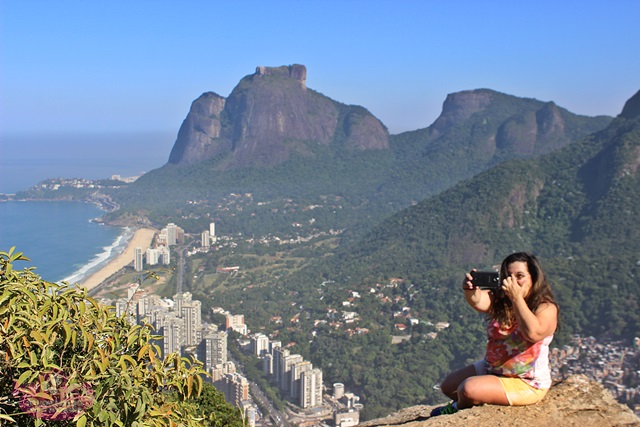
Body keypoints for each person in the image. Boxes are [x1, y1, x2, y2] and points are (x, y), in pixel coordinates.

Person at [430, 252, 559, 417]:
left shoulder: (546, 308)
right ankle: (478, 396)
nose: (513, 282)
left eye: (520, 276)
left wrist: (517, 298)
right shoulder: (502, 301)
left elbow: (533, 333)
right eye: (508, 276)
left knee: (468, 389)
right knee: (448, 386)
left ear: (533, 278)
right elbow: (479, 301)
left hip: (526, 381)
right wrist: (470, 290)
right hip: (493, 368)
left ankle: (455, 408)